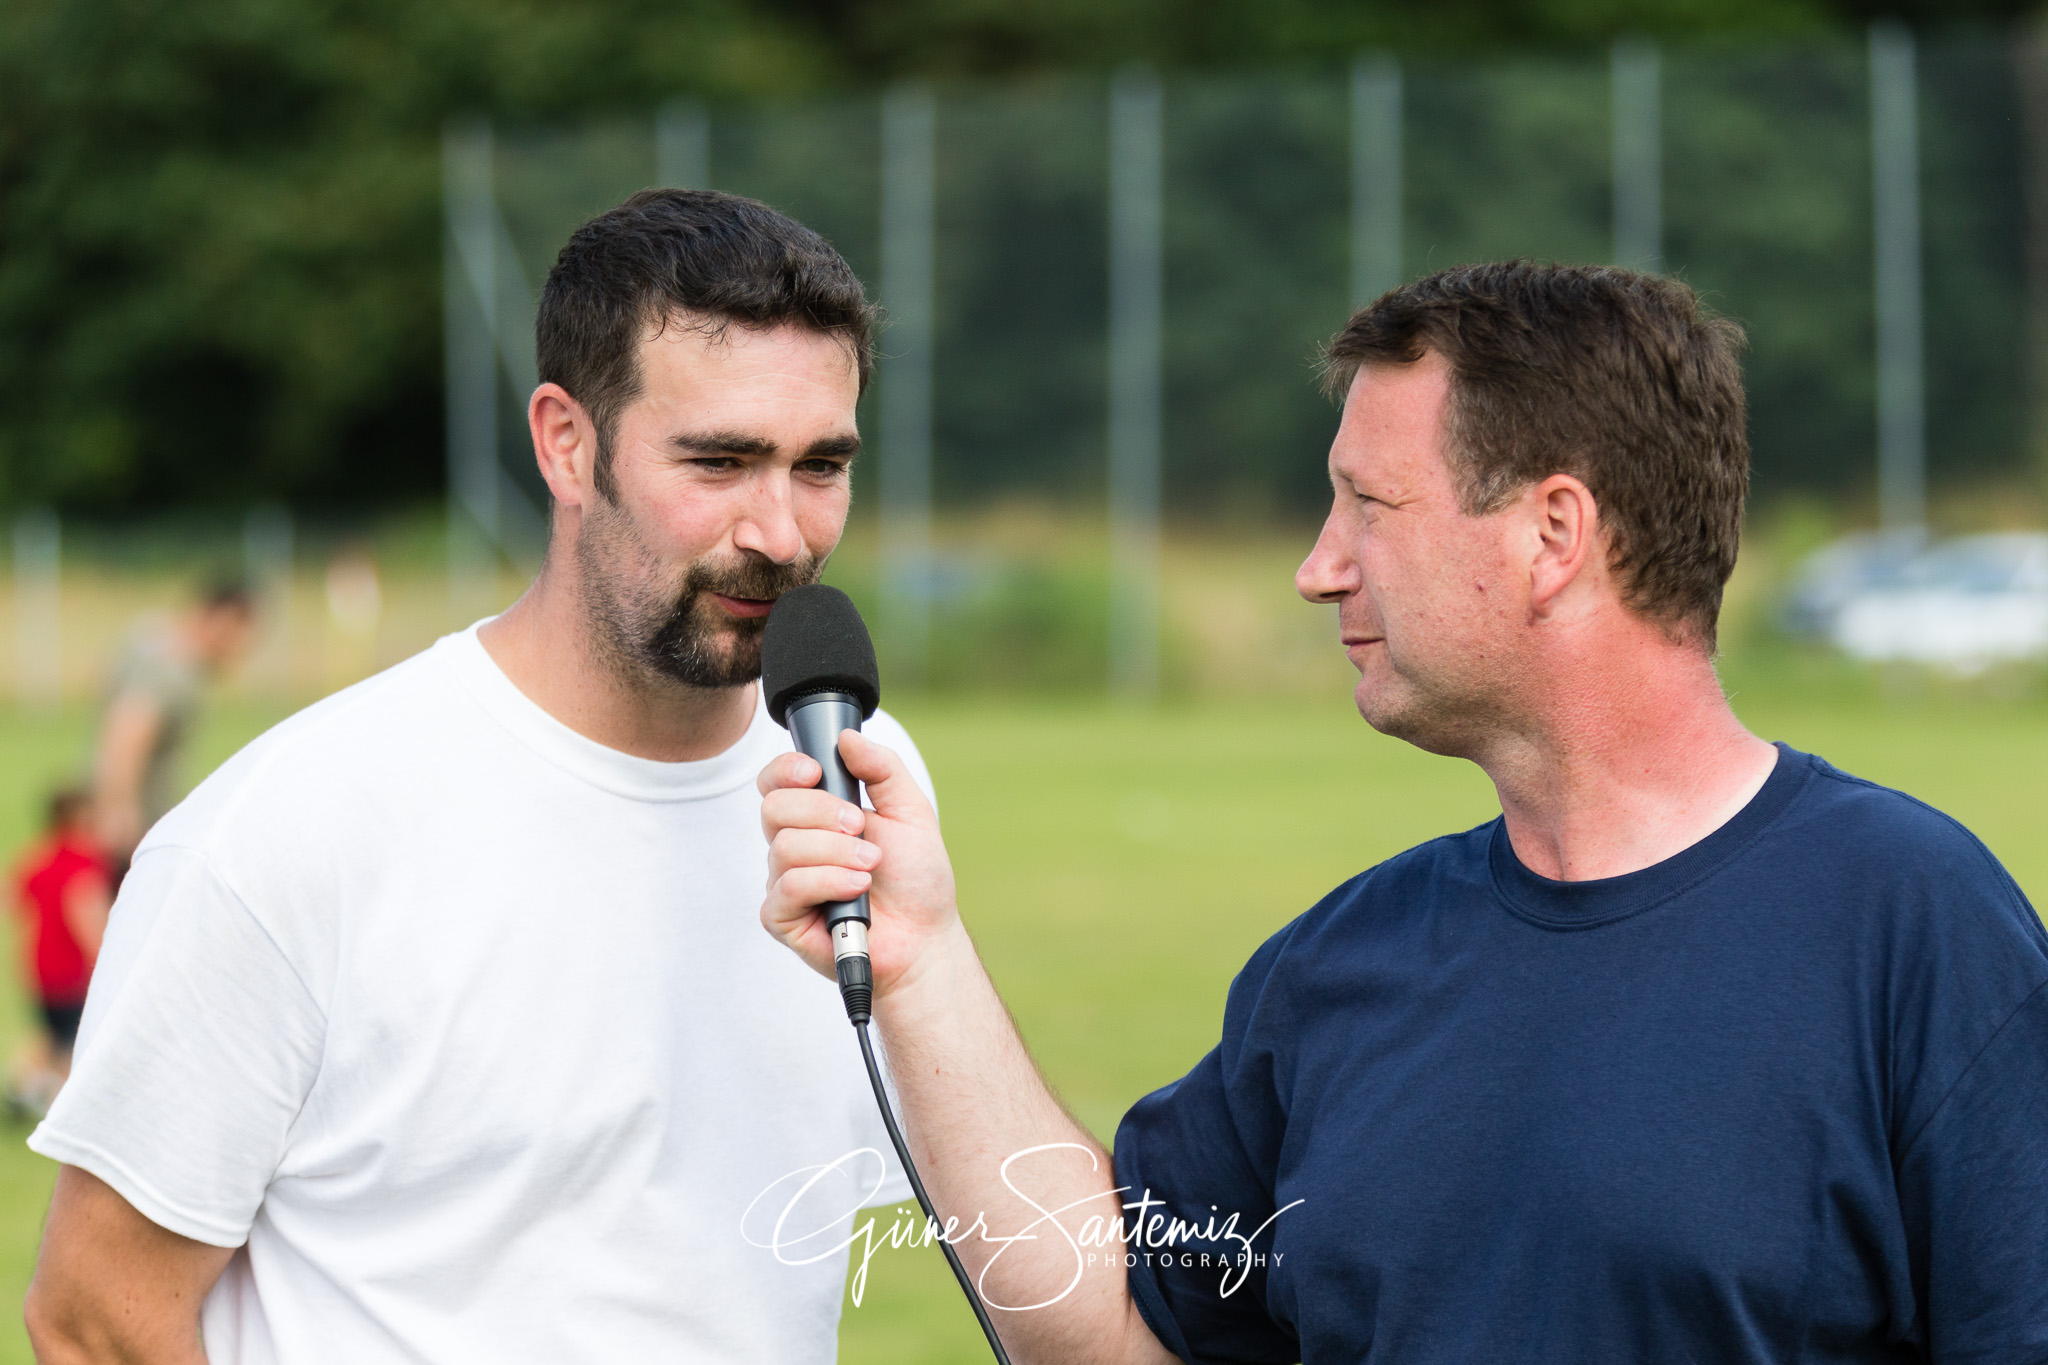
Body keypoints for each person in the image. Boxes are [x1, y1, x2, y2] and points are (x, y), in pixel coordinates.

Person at [759, 263, 2048, 1364]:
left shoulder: (1908, 925)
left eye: (1367, 505)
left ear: (1552, 533)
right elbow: (1104, 1317)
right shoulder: (1341, 967)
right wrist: (920, 957)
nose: (1319, 568)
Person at [25, 189, 930, 1364]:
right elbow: (95, 1318)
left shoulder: (857, 776)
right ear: (566, 442)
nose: (782, 530)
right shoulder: (295, 826)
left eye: (821, 465)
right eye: (718, 460)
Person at [91, 582, 257, 868]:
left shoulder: (148, 635)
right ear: (221, 619)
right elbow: (128, 731)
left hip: (94, 803)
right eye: (240, 634)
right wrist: (119, 811)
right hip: (129, 825)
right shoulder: (176, 672)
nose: (240, 650)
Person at [6, 788, 112, 1118]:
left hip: (39, 969)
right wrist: (105, 956)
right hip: (72, 971)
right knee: (73, 1044)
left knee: (50, 1036)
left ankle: (19, 1087)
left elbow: (11, 899)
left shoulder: (38, 858)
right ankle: (56, 1106)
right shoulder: (84, 862)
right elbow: (84, 914)